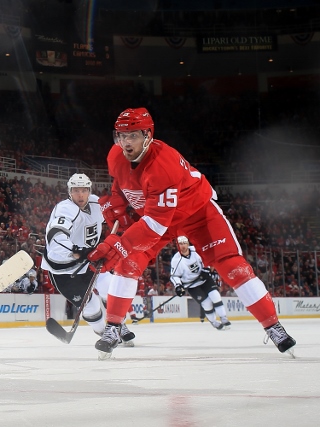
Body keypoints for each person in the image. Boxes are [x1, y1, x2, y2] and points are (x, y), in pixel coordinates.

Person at [87, 107, 295, 359]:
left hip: (196, 212)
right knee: (127, 265)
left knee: (232, 266)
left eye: (132, 136)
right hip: (158, 215)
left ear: (148, 135)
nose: (125, 142)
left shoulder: (163, 165)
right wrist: (116, 203)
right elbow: (121, 182)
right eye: (121, 135)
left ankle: (274, 327)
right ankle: (113, 328)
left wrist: (119, 244)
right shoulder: (116, 154)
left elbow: (155, 225)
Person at [41, 173, 135, 344]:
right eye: (76, 190)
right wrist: (77, 251)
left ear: (89, 190)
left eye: (84, 190)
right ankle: (103, 332)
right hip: (63, 269)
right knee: (90, 305)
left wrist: (123, 217)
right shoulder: (65, 208)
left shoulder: (95, 202)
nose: (80, 195)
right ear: (70, 192)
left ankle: (117, 325)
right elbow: (55, 238)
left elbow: (112, 216)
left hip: (87, 259)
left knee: (111, 285)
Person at [170, 236, 231, 330]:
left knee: (215, 296)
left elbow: (208, 258)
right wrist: (178, 286)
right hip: (192, 285)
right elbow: (174, 276)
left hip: (204, 278)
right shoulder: (176, 260)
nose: (183, 246)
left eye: (184, 243)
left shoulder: (196, 250)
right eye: (180, 244)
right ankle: (214, 321)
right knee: (207, 304)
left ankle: (224, 317)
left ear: (188, 244)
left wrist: (206, 269)